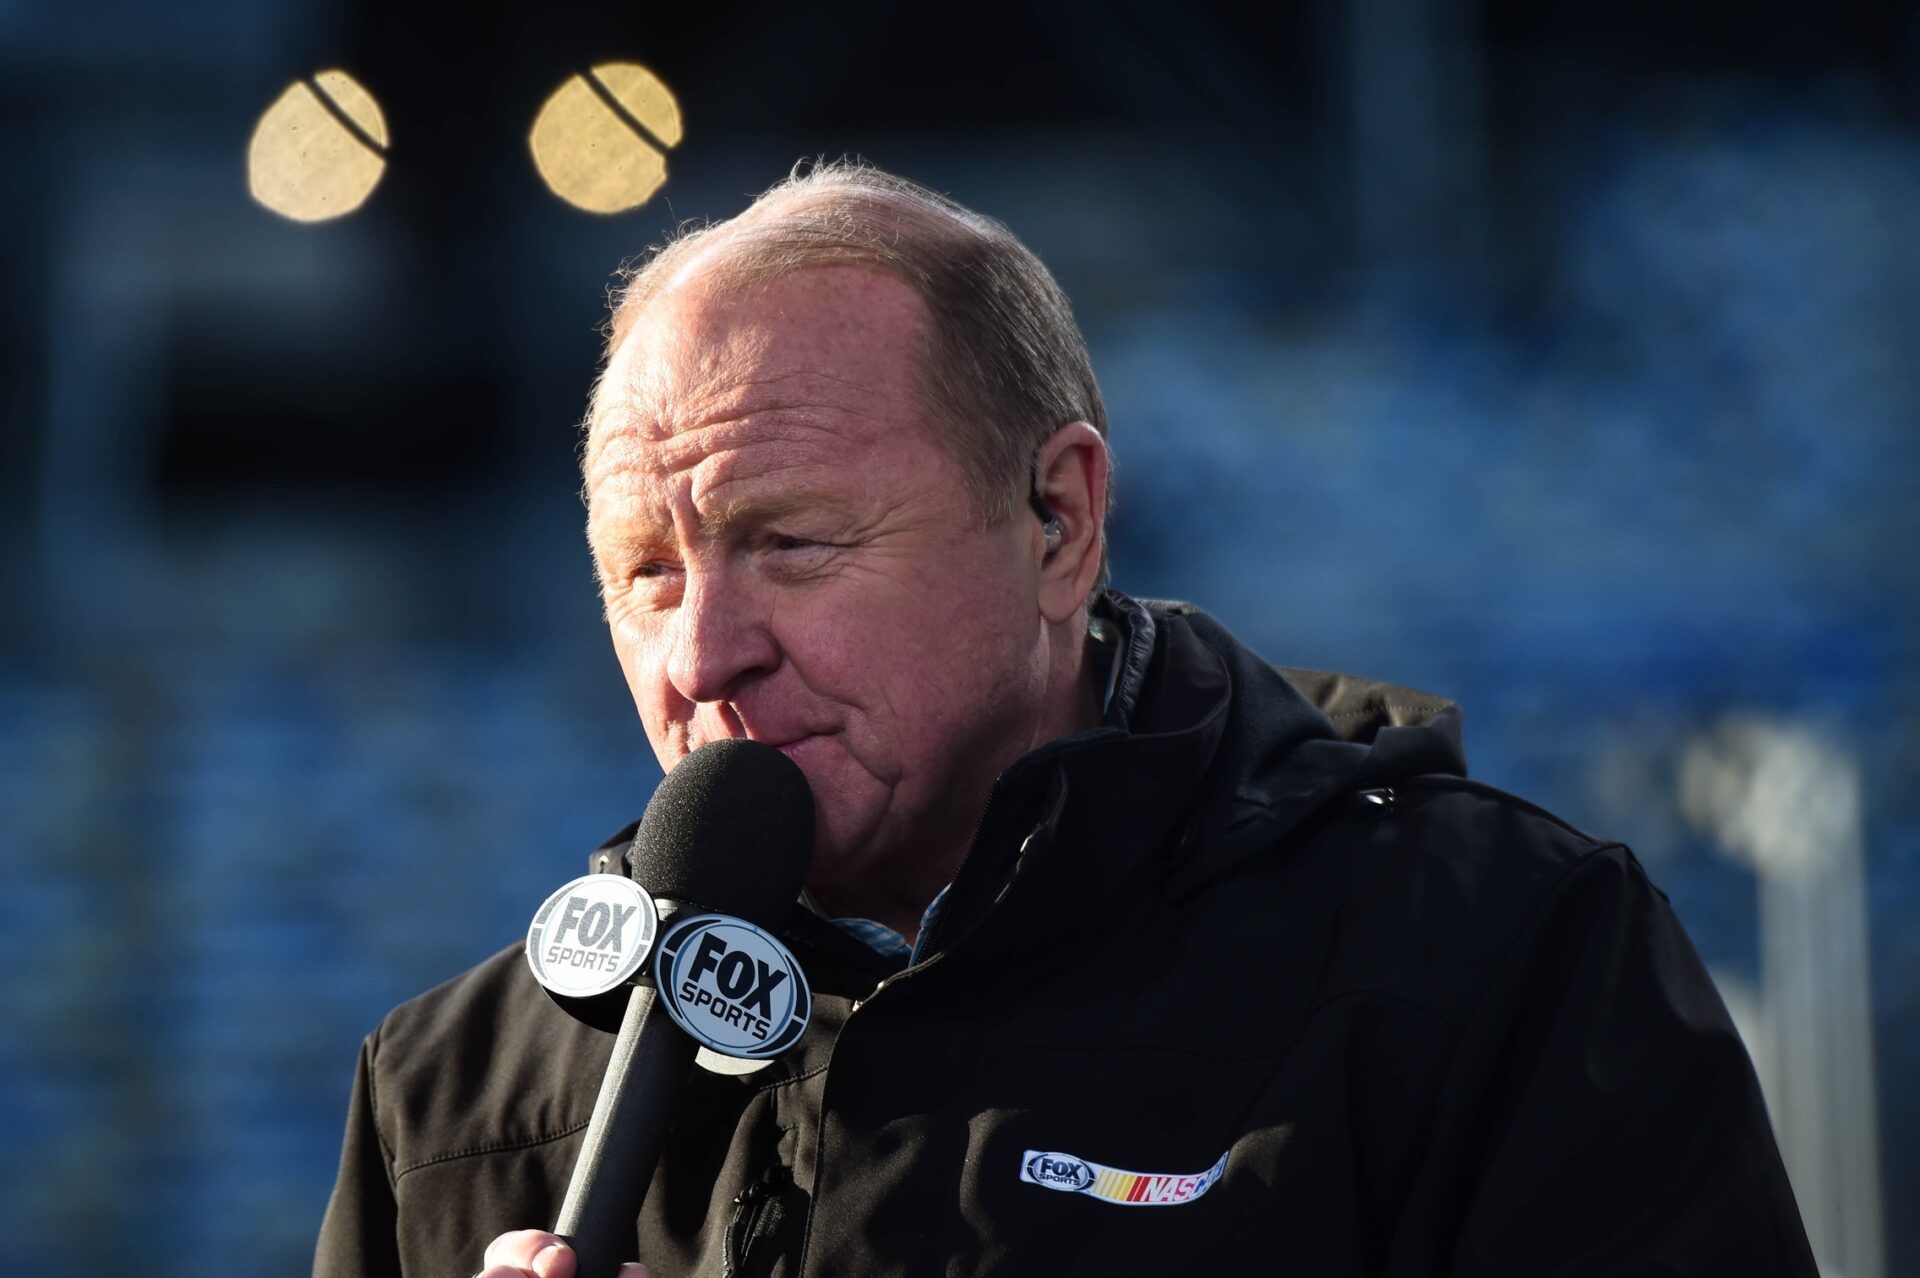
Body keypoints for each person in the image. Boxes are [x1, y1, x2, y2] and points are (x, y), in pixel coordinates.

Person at [315, 161, 1817, 1278]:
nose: (703, 651)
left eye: (791, 543)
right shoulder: (455, 1094)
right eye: (645, 573)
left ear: (1058, 520)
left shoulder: (1503, 959)